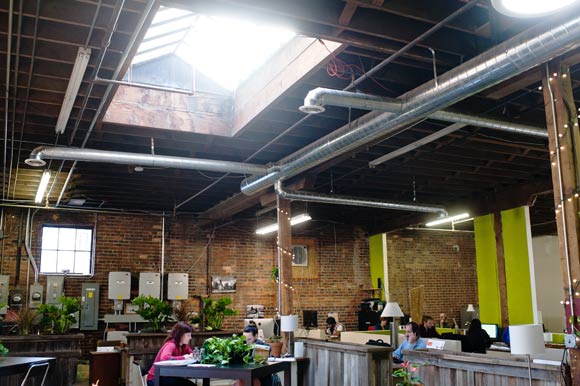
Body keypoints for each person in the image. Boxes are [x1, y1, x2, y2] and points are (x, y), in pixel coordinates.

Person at [146, 322, 194, 386]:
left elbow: (192, 354)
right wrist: (184, 357)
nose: (190, 338)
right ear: (180, 335)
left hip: (167, 376)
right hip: (155, 379)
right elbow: (164, 358)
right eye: (188, 335)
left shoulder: (184, 346)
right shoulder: (171, 345)